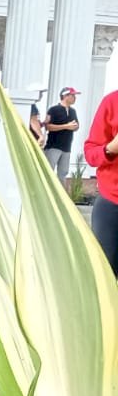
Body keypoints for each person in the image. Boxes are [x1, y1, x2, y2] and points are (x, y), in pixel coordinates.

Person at [84, 87, 118, 277]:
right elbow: (91, 154)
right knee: (105, 277)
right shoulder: (112, 102)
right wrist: (111, 148)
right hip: (112, 204)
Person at [45, 86, 82, 181]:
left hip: (67, 147)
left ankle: (60, 195)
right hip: (53, 146)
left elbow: (76, 126)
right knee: (48, 171)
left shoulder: (73, 111)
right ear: (65, 96)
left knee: (63, 173)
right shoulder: (53, 110)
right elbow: (48, 126)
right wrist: (66, 126)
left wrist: (75, 127)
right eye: (73, 95)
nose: (75, 98)